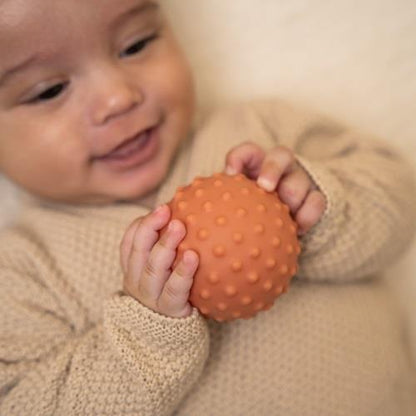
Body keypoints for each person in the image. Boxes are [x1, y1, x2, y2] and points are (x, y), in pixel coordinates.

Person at [0, 0, 415, 415]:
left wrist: (320, 208)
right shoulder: (22, 272)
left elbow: (398, 199)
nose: (118, 97)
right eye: (49, 90)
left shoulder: (264, 134)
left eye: (136, 44)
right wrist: (145, 333)